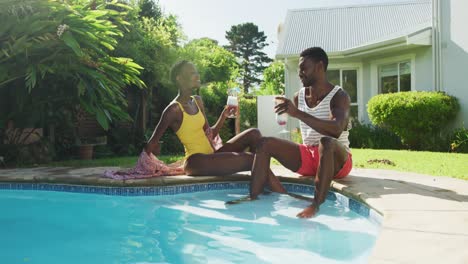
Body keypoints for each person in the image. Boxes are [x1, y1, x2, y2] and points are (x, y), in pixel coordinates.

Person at [145, 60, 285, 192]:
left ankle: (260, 187)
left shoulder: (197, 101)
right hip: (195, 162)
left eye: (197, 72)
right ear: (179, 78)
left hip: (212, 156)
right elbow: (153, 142)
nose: (197, 75)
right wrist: (143, 165)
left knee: (254, 133)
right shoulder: (173, 109)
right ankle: (281, 194)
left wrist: (223, 116)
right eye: (192, 73)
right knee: (251, 159)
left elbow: (209, 133)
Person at [249, 47, 353, 218]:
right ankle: (253, 198)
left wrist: (297, 113)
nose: (299, 73)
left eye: (304, 68)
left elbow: (336, 130)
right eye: (299, 68)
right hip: (309, 157)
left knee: (326, 142)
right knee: (264, 143)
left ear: (320, 67)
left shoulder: (339, 96)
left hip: (335, 160)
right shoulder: (299, 96)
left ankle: (316, 205)